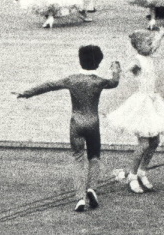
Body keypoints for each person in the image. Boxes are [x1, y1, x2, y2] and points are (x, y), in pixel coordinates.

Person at [15, 45, 121, 213]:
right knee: (94, 156)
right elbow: (114, 82)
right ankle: (92, 188)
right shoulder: (100, 81)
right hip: (93, 122)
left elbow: (49, 85)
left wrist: (27, 93)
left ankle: (80, 197)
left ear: (80, 60)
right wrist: (116, 68)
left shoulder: (72, 80)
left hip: (76, 123)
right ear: (98, 63)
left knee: (78, 158)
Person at [106, 27, 164, 193]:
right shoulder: (138, 60)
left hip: (153, 102)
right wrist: (117, 71)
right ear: (138, 46)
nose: (151, 46)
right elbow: (126, 70)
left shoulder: (148, 55)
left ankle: (142, 171)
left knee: (155, 141)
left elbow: (155, 45)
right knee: (144, 143)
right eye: (147, 43)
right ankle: (131, 175)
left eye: (151, 43)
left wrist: (160, 35)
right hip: (141, 104)